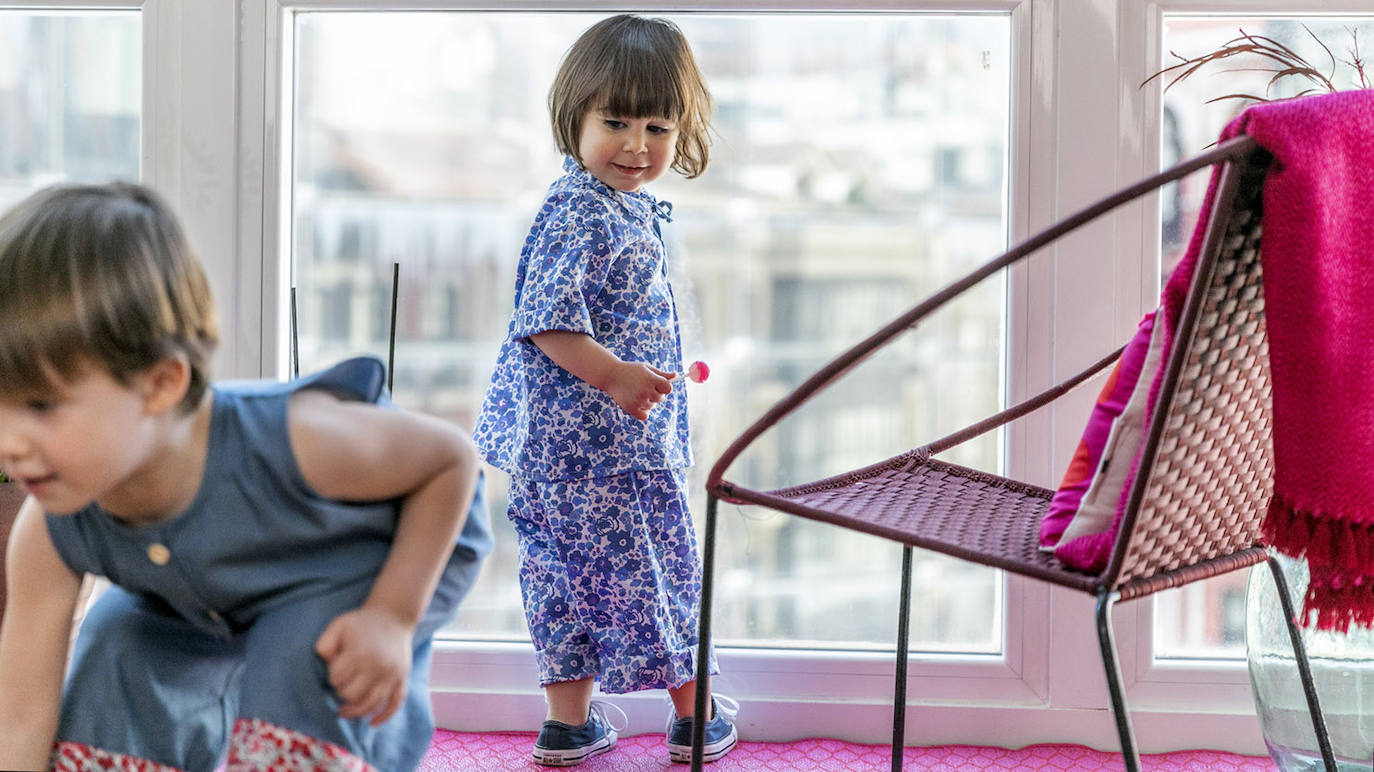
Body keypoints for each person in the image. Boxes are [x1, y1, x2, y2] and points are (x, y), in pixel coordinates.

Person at [0, 182, 493, 771]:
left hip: (376, 549)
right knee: (115, 640)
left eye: (41, 405)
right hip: (217, 586)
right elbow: (20, 715)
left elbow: (450, 459)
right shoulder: (48, 529)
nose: (7, 441)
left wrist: (392, 615)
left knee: (300, 658)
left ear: (160, 384)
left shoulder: (298, 439)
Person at [473, 13, 737, 768]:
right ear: (575, 116)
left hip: (566, 452)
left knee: (565, 578)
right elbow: (546, 323)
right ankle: (694, 719)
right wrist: (618, 377)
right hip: (607, 450)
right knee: (657, 568)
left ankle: (569, 725)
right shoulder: (582, 210)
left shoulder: (611, 206)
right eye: (615, 122)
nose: (636, 145)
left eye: (657, 126)